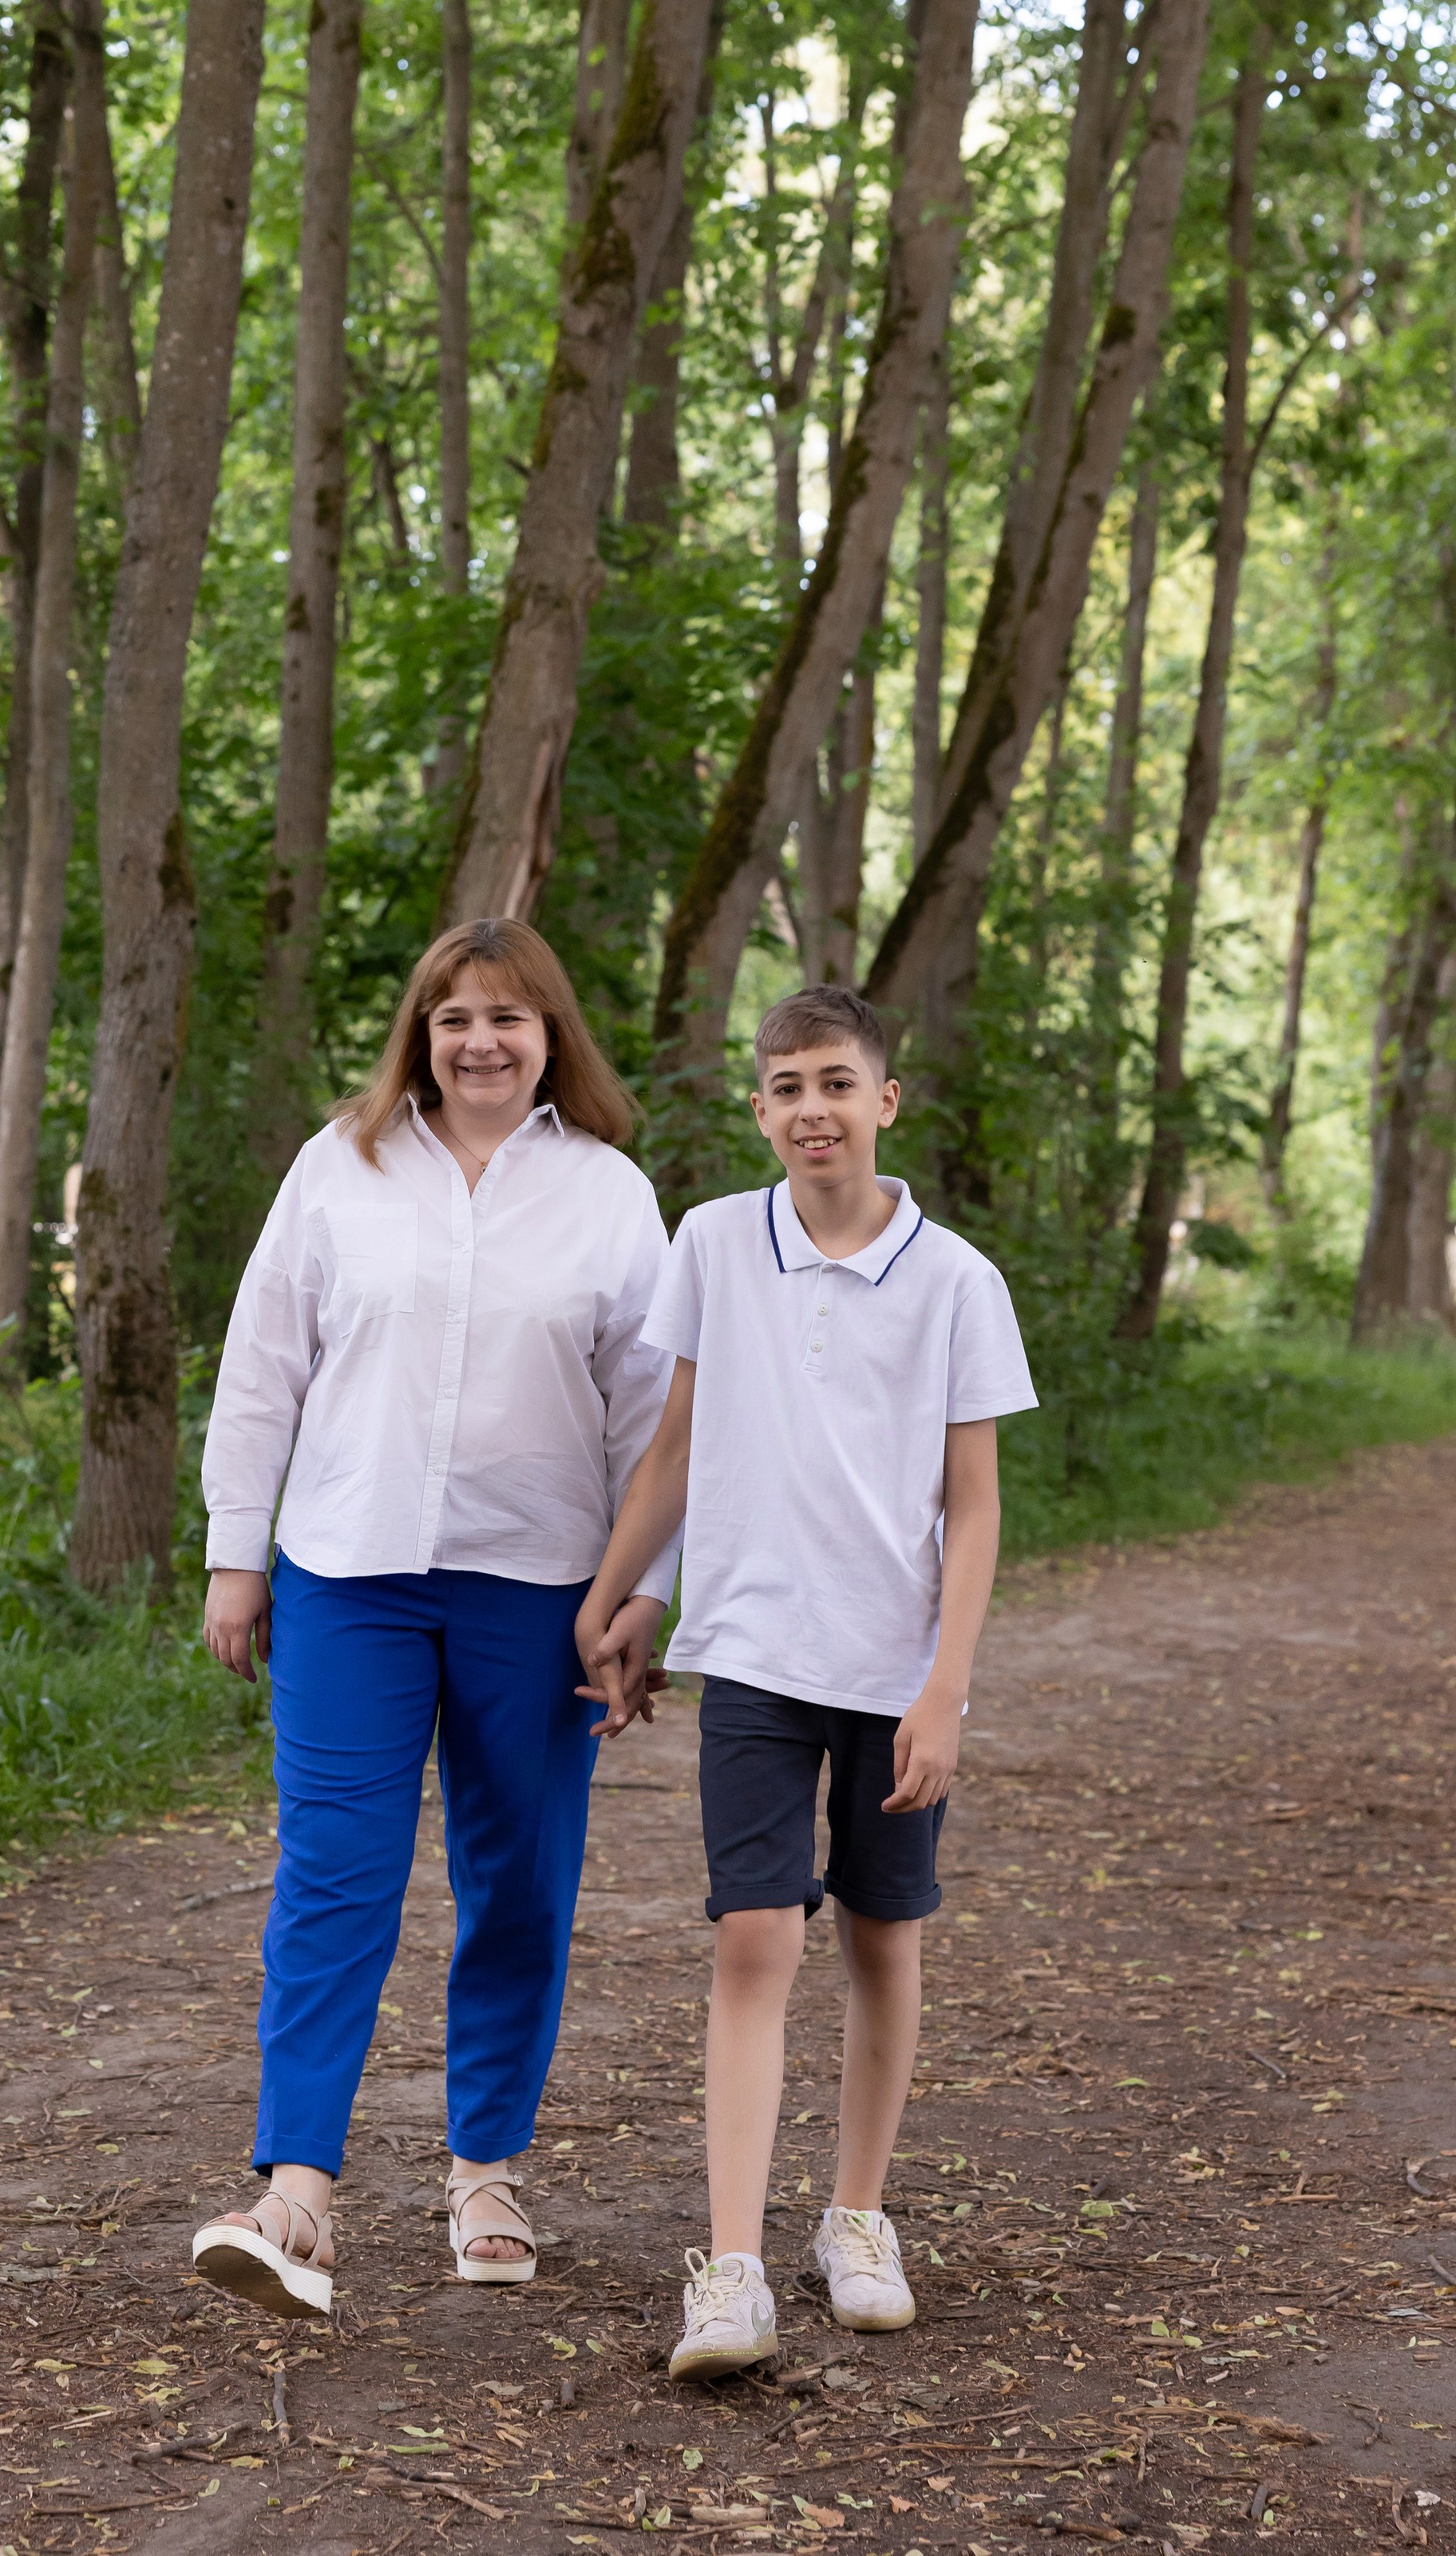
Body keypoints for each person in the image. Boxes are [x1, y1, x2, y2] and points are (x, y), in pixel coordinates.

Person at [191, 918, 680, 2321]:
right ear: (421, 1030)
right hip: (349, 1574)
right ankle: (297, 2192)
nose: (480, 1041)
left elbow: (655, 1417)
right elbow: (264, 1363)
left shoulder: (608, 1194)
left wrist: (645, 1593)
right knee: (334, 1874)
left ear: (549, 1036)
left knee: (518, 1879)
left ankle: (486, 2173)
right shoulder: (336, 1167)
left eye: (508, 1018)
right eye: (455, 1016)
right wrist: (236, 1553)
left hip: (542, 1588)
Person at [574, 982, 1037, 2379]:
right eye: (786, 1087)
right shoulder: (715, 1242)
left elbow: (975, 1504)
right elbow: (675, 1448)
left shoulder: (956, 1280)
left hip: (894, 1670)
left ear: (885, 1100)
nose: (812, 1109)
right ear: (759, 1108)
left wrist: (946, 1689)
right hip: (755, 1654)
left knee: (882, 1938)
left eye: (837, 1083)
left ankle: (858, 2220)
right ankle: (732, 2272)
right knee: (753, 1939)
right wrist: (612, 1600)